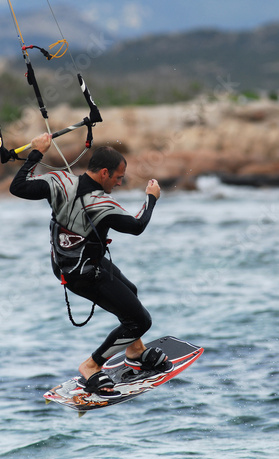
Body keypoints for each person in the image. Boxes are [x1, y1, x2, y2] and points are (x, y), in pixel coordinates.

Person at [10, 132, 173, 398]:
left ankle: (135, 351)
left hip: (70, 266)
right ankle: (91, 365)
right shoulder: (103, 204)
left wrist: (36, 153)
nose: (120, 182)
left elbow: (17, 187)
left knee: (130, 291)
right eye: (119, 177)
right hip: (84, 275)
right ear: (105, 173)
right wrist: (151, 197)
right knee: (140, 320)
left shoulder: (59, 181)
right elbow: (137, 226)